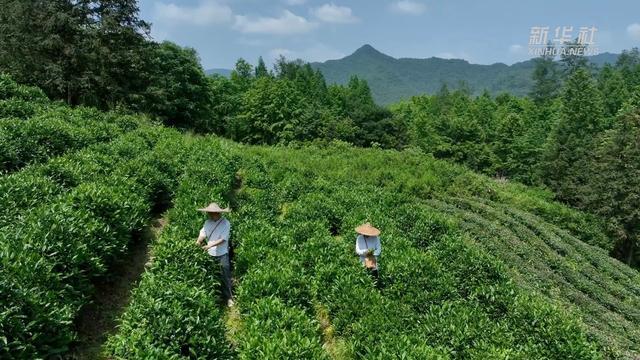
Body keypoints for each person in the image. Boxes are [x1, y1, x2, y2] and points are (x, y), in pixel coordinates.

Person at [195, 202, 234, 307]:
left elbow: (223, 239)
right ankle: (214, 298)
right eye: (209, 213)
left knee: (225, 275)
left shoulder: (226, 223)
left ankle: (229, 298)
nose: (210, 215)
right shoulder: (207, 222)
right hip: (210, 254)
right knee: (211, 276)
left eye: (212, 213)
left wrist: (209, 245)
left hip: (222, 254)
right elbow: (203, 233)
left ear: (218, 213)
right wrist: (199, 241)